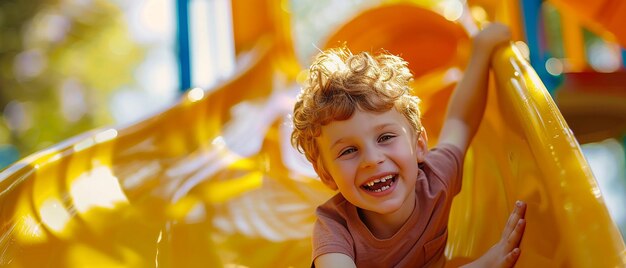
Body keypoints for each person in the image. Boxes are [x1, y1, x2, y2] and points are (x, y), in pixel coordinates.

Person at [291, 23, 527, 268]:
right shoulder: (334, 230)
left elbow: (460, 121)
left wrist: (481, 51)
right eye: (349, 151)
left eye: (385, 138)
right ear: (326, 175)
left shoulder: (437, 178)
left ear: (419, 145)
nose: (372, 159)